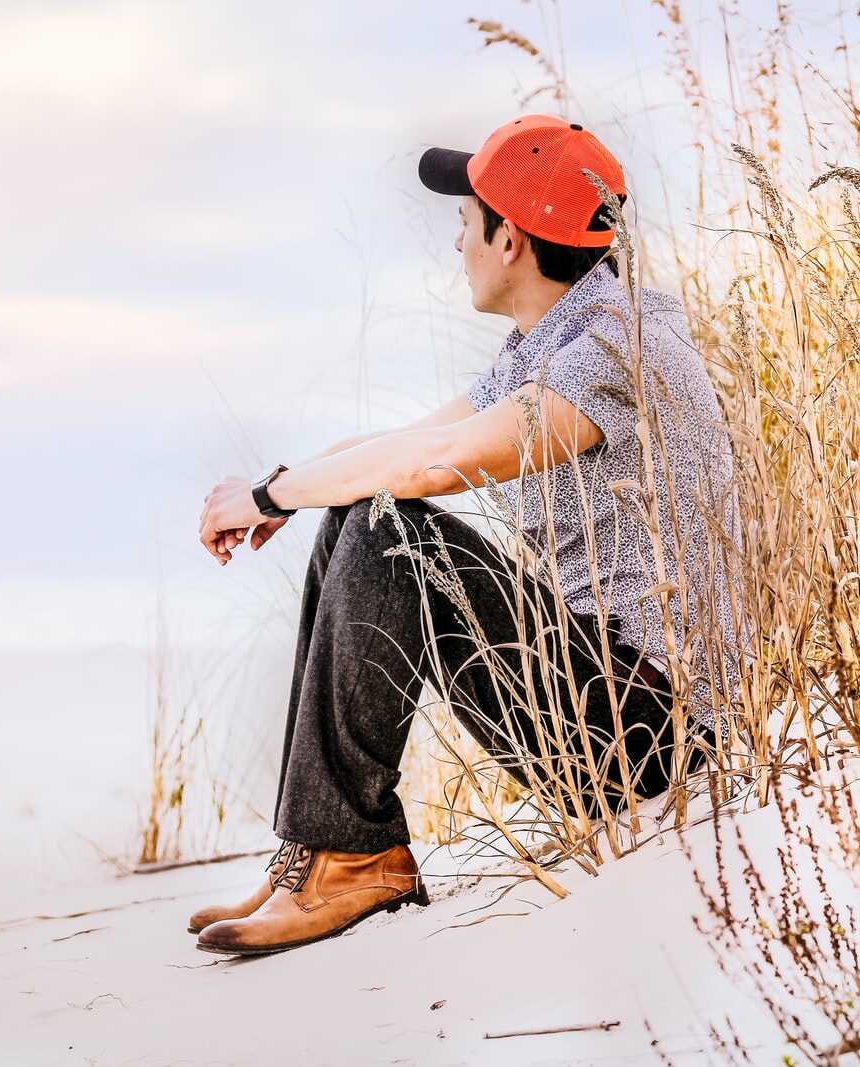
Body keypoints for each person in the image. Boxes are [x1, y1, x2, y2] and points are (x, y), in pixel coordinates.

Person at [192, 114, 742, 957]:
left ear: (511, 239)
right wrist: (281, 492)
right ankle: (314, 850)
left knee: (386, 519)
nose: (457, 239)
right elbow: (402, 446)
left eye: (466, 218)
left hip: (646, 735)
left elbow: (433, 468)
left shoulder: (616, 348)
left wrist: (274, 492)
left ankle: (354, 853)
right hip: (595, 695)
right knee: (360, 505)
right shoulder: (548, 340)